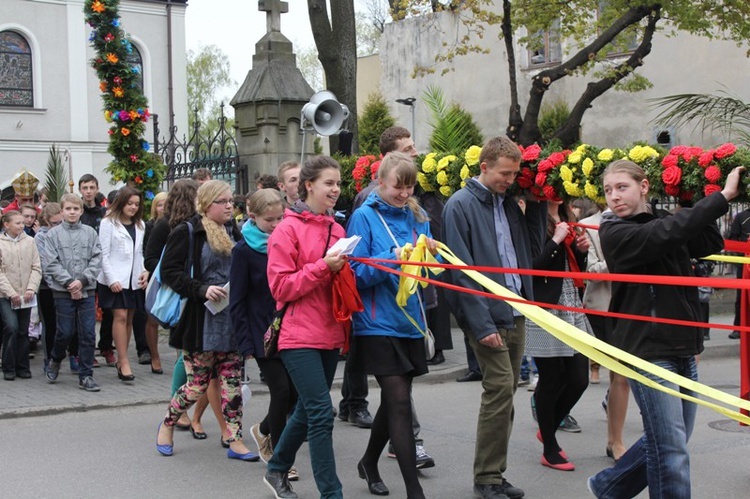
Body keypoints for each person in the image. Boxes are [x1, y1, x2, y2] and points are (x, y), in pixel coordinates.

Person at [587, 161, 744, 499]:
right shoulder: (614, 231)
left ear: (644, 186)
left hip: (682, 344)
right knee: (671, 450)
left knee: (671, 437)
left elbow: (708, 242)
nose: (613, 197)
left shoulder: (665, 220)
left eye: (621, 187)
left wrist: (689, 198)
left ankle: (608, 486)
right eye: (608, 190)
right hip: (646, 348)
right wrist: (722, 196)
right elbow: (663, 236)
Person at [443, 136, 545, 499]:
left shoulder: (508, 203)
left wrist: (536, 202)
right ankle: (486, 477)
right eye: (505, 172)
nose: (510, 179)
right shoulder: (460, 205)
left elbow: (530, 251)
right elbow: (458, 271)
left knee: (506, 392)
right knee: (499, 388)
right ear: (484, 167)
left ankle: (495, 474)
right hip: (488, 316)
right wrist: (481, 325)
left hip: (516, 310)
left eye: (515, 173)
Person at [348, 151, 436, 499]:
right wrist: (393, 258)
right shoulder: (362, 217)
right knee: (398, 399)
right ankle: (414, 491)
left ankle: (369, 461)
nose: (404, 193)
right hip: (376, 322)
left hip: (410, 320)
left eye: (409, 186)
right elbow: (355, 275)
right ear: (380, 182)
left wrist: (430, 254)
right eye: (397, 186)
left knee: (395, 400)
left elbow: (429, 273)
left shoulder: (419, 215)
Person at [263, 156, 347, 499]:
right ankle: (332, 493)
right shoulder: (287, 229)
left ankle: (276, 468)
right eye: (329, 183)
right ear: (308, 185)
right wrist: (323, 268)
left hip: (330, 331)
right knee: (321, 413)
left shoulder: (338, 229)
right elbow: (281, 288)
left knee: (306, 409)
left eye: (338, 184)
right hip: (298, 335)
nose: (336, 190)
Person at [155, 180, 257, 461]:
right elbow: (170, 273)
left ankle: (235, 440)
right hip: (201, 321)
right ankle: (168, 423)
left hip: (231, 320)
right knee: (196, 385)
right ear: (206, 205)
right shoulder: (187, 231)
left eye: (230, 201)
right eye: (221, 202)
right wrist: (201, 289)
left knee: (232, 385)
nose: (228, 206)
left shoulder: (232, 230)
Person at [145, 180, 225, 439]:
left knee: (215, 375)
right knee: (193, 367)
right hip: (186, 300)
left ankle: (216, 426)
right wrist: (193, 280)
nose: (227, 206)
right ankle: (177, 412)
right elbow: (158, 263)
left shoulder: (221, 227)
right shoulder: (173, 227)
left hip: (213, 305)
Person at [230, 189, 300, 479]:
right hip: (261, 333)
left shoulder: (287, 242)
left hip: (291, 328)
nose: (275, 225)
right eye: (268, 220)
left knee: (295, 393)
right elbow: (237, 301)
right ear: (252, 216)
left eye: (280, 218)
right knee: (281, 391)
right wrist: (245, 342)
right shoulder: (243, 251)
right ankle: (281, 458)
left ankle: (263, 429)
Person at [526, 200, 591, 471]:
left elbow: (574, 265)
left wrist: (581, 250)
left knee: (579, 379)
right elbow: (531, 266)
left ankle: (548, 425)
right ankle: (550, 448)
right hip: (546, 307)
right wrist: (556, 239)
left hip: (571, 301)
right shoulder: (530, 216)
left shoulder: (567, 214)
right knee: (551, 379)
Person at [580, 205, 630, 463]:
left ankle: (615, 439)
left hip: (635, 305)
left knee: (624, 376)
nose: (617, 195)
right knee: (619, 374)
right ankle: (616, 441)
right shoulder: (590, 224)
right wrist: (625, 258)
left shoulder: (643, 221)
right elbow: (591, 271)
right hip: (604, 307)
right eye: (611, 188)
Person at [43, 193, 102, 391]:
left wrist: (82, 281)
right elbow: (51, 263)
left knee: (87, 333)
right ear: (62, 211)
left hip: (86, 289)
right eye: (68, 209)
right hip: (63, 290)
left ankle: (86, 375)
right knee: (65, 331)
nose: (72, 212)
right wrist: (70, 283)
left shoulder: (90, 233)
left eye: (76, 209)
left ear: (81, 211)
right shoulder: (52, 235)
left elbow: (96, 259)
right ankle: (56, 358)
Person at [97, 187, 149, 383]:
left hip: (133, 279)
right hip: (114, 278)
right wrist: (111, 279)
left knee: (129, 319)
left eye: (136, 204)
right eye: (130, 203)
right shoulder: (108, 223)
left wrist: (144, 271)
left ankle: (121, 358)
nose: (133, 207)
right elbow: (103, 253)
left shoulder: (140, 225)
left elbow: (139, 253)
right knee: (119, 315)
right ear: (122, 203)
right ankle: (124, 361)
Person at [0, 210, 42, 380]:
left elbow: (36, 267)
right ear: (6, 224)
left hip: (26, 295)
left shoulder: (30, 241)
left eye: (22, 222)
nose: (21, 225)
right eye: (17, 223)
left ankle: (23, 366)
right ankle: (8, 365)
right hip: (5, 295)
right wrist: (10, 293)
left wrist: (31, 288)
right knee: (11, 327)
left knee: (23, 331)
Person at [78, 174, 111, 367]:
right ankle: (87, 351)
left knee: (108, 310)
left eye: (92, 187)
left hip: (103, 267)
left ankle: (106, 346)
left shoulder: (104, 213)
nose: (89, 191)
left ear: (97, 188)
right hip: (84, 267)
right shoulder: (77, 211)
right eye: (85, 188)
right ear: (80, 190)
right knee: (86, 311)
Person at [35, 202, 63, 374]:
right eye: (54, 224)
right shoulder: (41, 237)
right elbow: (45, 263)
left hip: (64, 285)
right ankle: (49, 358)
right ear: (46, 221)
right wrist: (54, 283)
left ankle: (68, 355)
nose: (57, 227)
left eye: (60, 223)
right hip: (47, 286)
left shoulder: (64, 233)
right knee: (50, 324)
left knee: (66, 324)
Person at [142, 191, 168, 374]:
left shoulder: (176, 223)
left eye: (167, 203)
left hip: (173, 276)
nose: (164, 207)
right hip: (156, 275)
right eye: (160, 204)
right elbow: (147, 253)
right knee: (152, 318)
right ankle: (155, 356)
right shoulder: (150, 226)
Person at [727, 207, 750, 339]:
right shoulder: (741, 216)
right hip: (744, 262)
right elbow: (733, 238)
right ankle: (738, 327)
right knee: (741, 296)